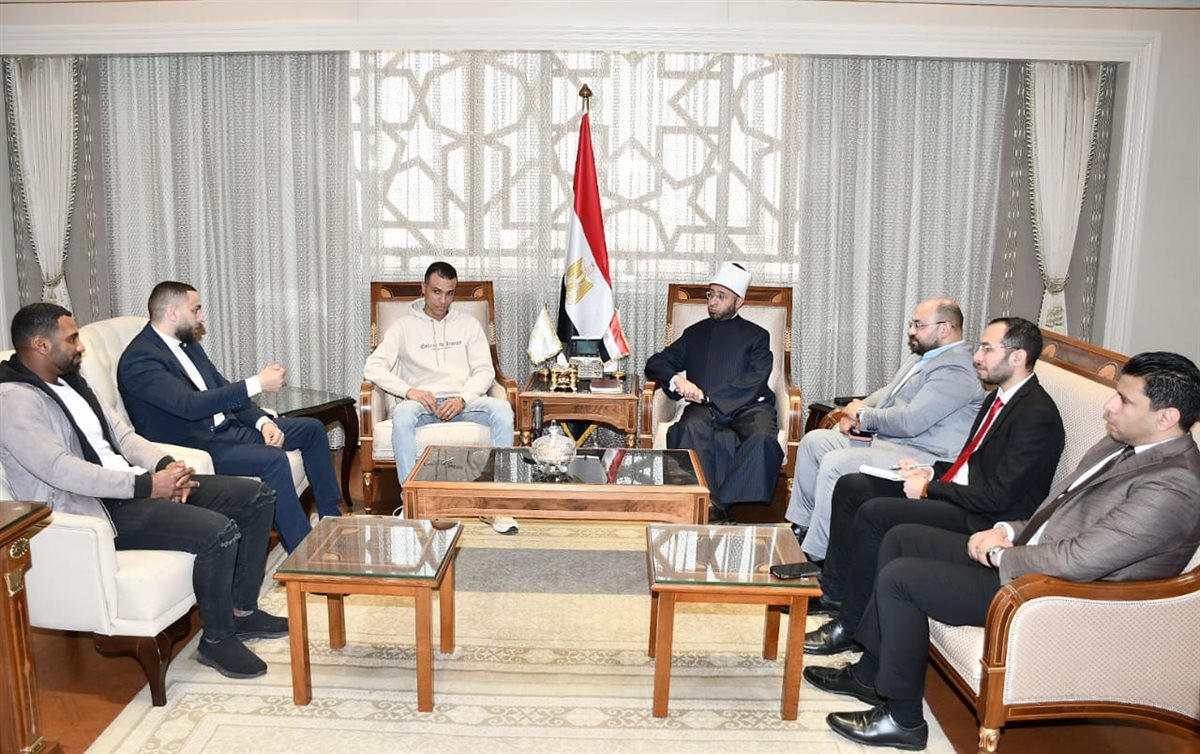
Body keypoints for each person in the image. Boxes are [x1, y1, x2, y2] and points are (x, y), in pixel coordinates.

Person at [804, 351, 1200, 750]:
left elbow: (1081, 560)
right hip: (1032, 559)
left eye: (1125, 400)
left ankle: (903, 720)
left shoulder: (1174, 485)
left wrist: (1001, 555)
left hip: (1058, 597)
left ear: (1166, 417)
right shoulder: (1123, 444)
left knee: (901, 579)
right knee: (901, 537)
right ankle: (871, 675)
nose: (1109, 406)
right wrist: (1007, 530)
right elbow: (1057, 512)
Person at [0, 303, 288, 680]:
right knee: (218, 532)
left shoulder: (71, 381)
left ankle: (242, 612)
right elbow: (59, 468)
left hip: (133, 487)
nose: (80, 346)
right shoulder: (14, 400)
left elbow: (124, 436)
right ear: (40, 344)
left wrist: (166, 466)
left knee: (255, 497)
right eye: (71, 339)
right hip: (99, 509)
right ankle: (217, 641)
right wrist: (147, 486)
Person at [807, 316, 1065, 656]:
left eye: (987, 349)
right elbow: (971, 462)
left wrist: (930, 488)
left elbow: (998, 496)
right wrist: (928, 471)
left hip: (983, 518)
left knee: (875, 514)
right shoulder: (999, 399)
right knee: (853, 487)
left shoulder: (1036, 415)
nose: (977, 356)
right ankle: (835, 594)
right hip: (963, 494)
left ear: (1017, 356)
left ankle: (851, 626)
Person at [117, 281, 343, 553]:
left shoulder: (187, 345)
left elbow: (221, 389)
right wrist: (257, 383)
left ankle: (332, 519)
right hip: (198, 445)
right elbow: (189, 406)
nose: (201, 318)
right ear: (173, 312)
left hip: (226, 429)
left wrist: (263, 422)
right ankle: (303, 552)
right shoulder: (139, 360)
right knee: (274, 459)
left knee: (312, 429)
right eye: (196, 310)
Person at [787, 296, 984, 559]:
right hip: (893, 443)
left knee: (835, 462)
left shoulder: (957, 370)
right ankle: (803, 527)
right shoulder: (926, 357)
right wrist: (854, 412)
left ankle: (818, 554)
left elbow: (910, 422)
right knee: (814, 442)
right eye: (912, 324)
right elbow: (888, 392)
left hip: (922, 456)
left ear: (945, 328)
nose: (911, 331)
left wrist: (863, 414)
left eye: (918, 325)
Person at [644, 262, 783, 521]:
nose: (712, 302)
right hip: (704, 408)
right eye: (711, 294)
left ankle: (717, 503)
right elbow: (656, 362)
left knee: (763, 439)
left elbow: (755, 378)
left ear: (739, 302)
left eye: (721, 296)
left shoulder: (757, 335)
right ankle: (709, 503)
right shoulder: (695, 333)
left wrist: (709, 396)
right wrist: (677, 380)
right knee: (689, 428)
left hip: (750, 406)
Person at [363, 261, 514, 487]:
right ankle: (410, 495)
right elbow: (372, 366)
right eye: (436, 292)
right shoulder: (402, 327)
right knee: (402, 415)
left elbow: (485, 370)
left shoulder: (469, 325)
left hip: (463, 403)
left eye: (449, 293)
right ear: (423, 288)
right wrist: (409, 391)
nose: (443, 301)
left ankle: (498, 493)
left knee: (503, 410)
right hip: (422, 405)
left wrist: (463, 399)